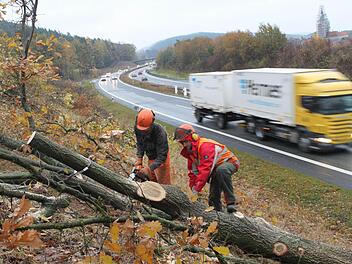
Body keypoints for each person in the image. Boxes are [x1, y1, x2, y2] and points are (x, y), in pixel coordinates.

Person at [174, 124, 240, 213]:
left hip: (229, 162)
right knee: (213, 197)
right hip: (216, 169)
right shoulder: (191, 153)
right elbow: (193, 174)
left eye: (185, 141)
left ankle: (231, 203)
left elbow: (205, 171)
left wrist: (196, 190)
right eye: (182, 143)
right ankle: (217, 212)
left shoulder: (205, 146)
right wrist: (192, 190)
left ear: (193, 137)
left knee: (222, 171)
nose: (184, 145)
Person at [134, 108, 171, 185]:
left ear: (152, 123)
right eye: (141, 130)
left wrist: (148, 169)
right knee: (152, 180)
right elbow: (140, 143)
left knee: (163, 183)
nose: (143, 132)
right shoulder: (138, 127)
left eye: (145, 130)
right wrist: (139, 158)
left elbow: (162, 157)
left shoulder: (160, 132)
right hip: (150, 156)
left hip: (161, 159)